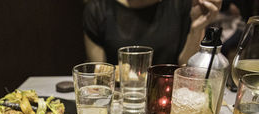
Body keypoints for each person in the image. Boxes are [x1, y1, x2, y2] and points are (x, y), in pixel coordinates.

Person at [83, 0, 222, 66]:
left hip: (168, 101)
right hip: (119, 104)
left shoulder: (182, 4)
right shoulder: (97, 9)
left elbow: (187, 68)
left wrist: (196, 30)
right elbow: (99, 77)